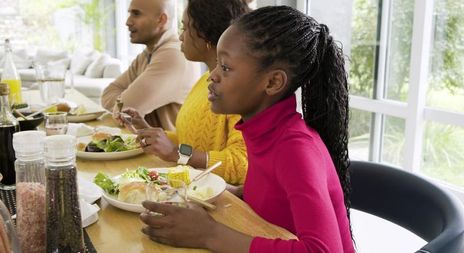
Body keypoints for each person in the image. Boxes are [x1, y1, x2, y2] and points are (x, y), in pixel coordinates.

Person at [139, 5, 355, 253]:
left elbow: (324, 251)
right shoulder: (261, 129)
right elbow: (274, 199)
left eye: (226, 67)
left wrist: (210, 234)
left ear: (273, 82)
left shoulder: (295, 148)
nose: (213, 76)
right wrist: (230, 193)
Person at [120, 0, 250, 184]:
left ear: (205, 35)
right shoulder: (203, 82)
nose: (180, 37)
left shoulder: (238, 91)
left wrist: (176, 153)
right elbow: (188, 140)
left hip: (217, 199)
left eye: (185, 28)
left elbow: (241, 164)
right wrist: (148, 131)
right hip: (189, 187)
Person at [101, 0, 199, 131]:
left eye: (136, 14)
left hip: (172, 149)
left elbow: (124, 109)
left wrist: (123, 103)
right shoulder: (150, 52)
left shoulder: (172, 54)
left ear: (161, 19)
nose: (128, 22)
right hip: (149, 146)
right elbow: (109, 93)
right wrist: (123, 104)